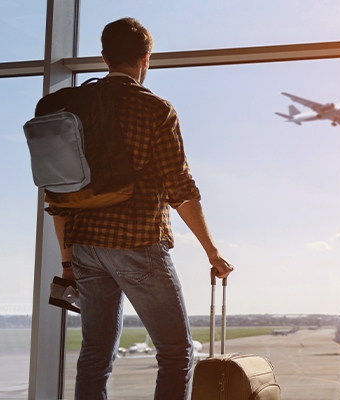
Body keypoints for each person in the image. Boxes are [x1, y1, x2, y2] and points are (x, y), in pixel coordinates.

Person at [46, 17, 233, 399]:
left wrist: (68, 262)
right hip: (135, 241)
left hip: (84, 246)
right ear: (146, 58)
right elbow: (180, 190)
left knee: (95, 354)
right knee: (177, 352)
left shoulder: (73, 109)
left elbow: (59, 197)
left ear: (104, 57)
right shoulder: (156, 109)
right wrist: (211, 251)